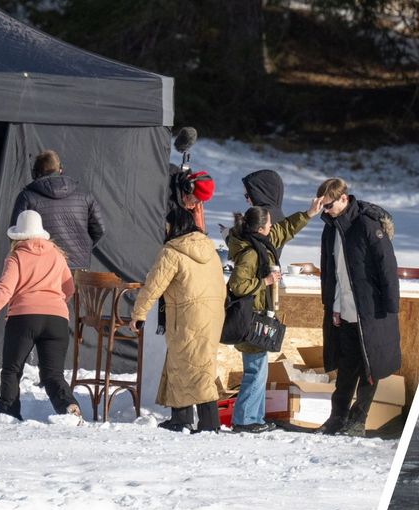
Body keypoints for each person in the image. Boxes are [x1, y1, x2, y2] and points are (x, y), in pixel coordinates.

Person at [225, 196, 324, 433]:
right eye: (269, 223)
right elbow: (238, 285)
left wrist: (309, 213)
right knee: (255, 372)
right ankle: (245, 420)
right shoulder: (251, 253)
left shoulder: (261, 241)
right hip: (251, 319)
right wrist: (266, 281)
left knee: (259, 371)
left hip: (258, 316)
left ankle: (254, 418)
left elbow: (284, 229)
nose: (272, 226)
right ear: (260, 228)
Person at [0, 210, 80, 421]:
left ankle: (8, 413)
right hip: (57, 319)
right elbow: (70, 288)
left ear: (17, 236)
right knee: (53, 374)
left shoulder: (17, 256)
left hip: (24, 318)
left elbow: (4, 289)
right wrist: (55, 303)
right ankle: (69, 406)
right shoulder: (57, 255)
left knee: (12, 370)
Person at [129, 206, 226, 433]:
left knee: (189, 365)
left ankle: (207, 423)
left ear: (174, 226)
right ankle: (183, 418)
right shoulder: (209, 250)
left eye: (168, 225)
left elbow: (153, 286)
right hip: (212, 315)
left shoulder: (172, 251)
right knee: (194, 364)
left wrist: (138, 314)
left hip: (187, 315)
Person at [316, 178, 401, 436]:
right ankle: (337, 417)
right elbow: (333, 272)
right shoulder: (331, 229)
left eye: (328, 205)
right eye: (322, 207)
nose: (326, 211)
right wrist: (334, 306)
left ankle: (357, 420)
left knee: (370, 369)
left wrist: (390, 305)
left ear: (343, 199)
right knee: (346, 368)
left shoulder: (366, 225)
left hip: (371, 310)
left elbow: (386, 265)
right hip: (346, 310)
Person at [10, 150, 104, 270]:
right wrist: (83, 247)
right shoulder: (85, 196)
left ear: (35, 173)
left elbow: (16, 235)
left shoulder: (27, 197)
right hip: (78, 268)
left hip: (43, 267)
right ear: (60, 169)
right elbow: (99, 230)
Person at [241, 170, 287, 252]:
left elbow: (249, 250)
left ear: (258, 193)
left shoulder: (262, 217)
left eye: (248, 195)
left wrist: (228, 236)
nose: (247, 200)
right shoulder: (276, 213)